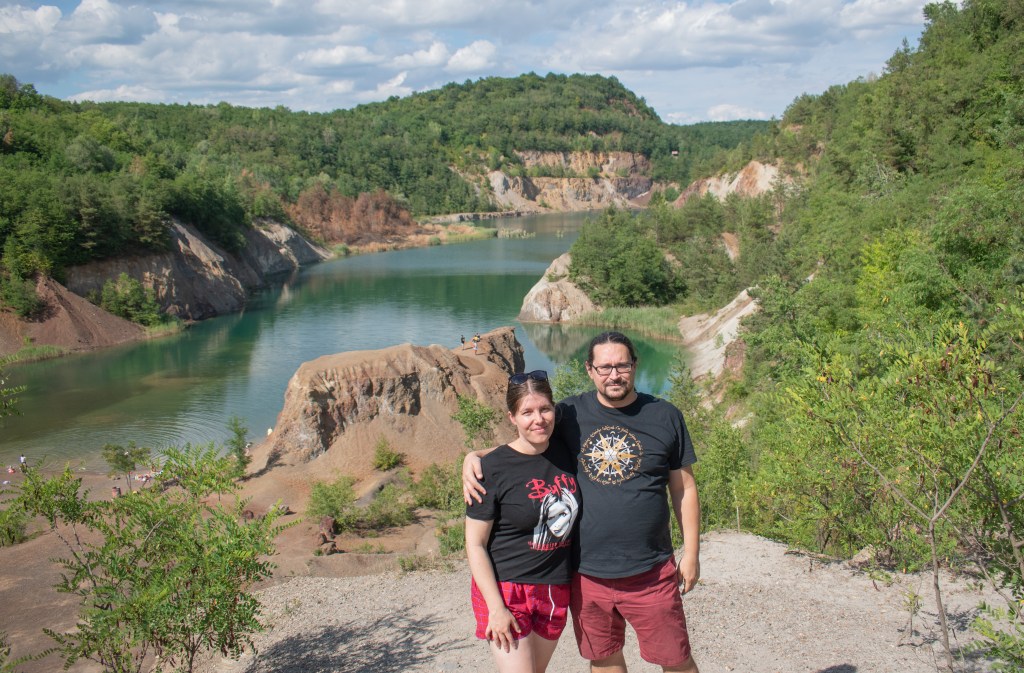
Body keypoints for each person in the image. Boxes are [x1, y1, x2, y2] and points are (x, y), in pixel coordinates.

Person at [465, 331, 701, 673]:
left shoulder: (665, 415)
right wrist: (475, 456)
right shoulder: (570, 413)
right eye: (604, 367)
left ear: (635, 366)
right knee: (604, 659)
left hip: (651, 570)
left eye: (622, 365)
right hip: (586, 575)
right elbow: (529, 439)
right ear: (590, 370)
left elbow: (684, 488)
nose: (614, 375)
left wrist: (691, 553)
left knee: (676, 660)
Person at [465, 369, 580, 673]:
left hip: (555, 587)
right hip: (506, 590)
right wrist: (496, 608)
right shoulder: (490, 470)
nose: (538, 419)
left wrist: (473, 452)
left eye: (545, 409)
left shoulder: (565, 451)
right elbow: (475, 544)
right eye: (527, 412)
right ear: (512, 417)